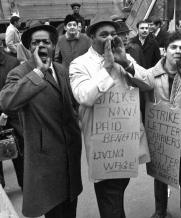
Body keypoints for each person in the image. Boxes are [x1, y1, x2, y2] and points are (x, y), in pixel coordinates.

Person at [0, 23, 82, 218]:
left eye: (46, 42)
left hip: (70, 156)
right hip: (46, 161)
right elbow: (6, 101)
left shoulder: (61, 69)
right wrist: (38, 72)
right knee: (55, 210)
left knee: (70, 209)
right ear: (29, 48)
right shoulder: (20, 73)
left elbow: (72, 104)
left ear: (54, 46)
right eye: (36, 42)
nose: (41, 46)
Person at [69, 18, 149, 218]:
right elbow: (84, 96)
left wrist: (126, 64)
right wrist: (106, 66)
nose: (110, 38)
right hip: (103, 148)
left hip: (126, 142)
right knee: (111, 200)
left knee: (116, 195)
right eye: (104, 35)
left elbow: (148, 83)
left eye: (113, 34)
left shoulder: (124, 57)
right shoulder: (79, 64)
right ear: (91, 37)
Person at [134, 31, 181, 218]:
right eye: (173, 47)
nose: (177, 51)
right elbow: (135, 77)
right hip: (161, 142)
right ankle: (160, 211)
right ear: (164, 50)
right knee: (160, 181)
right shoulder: (151, 74)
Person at [0, 46, 23, 190]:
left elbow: (16, 90)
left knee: (18, 151)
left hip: (10, 115)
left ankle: (25, 184)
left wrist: (5, 112)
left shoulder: (12, 62)